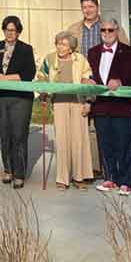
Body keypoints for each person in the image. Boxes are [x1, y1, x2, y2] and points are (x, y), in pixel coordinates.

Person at [67, 0, 126, 175]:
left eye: (91, 6)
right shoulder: (74, 29)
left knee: (103, 127)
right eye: (85, 7)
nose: (88, 10)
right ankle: (88, 168)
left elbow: (124, 51)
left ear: (97, 8)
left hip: (104, 83)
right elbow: (66, 53)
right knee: (82, 126)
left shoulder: (109, 27)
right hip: (82, 81)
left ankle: (106, 168)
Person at [86, 18, 131, 196]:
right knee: (105, 144)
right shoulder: (93, 52)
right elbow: (90, 75)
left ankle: (126, 181)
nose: (107, 33)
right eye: (103, 30)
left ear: (117, 31)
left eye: (110, 30)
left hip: (122, 107)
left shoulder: (130, 52)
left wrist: (121, 81)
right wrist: (87, 80)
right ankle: (110, 178)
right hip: (101, 106)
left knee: (124, 145)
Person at [36, 31, 95, 189]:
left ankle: (79, 177)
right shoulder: (50, 58)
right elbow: (41, 76)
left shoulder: (80, 59)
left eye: (63, 44)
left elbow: (89, 80)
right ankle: (62, 178)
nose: (59, 47)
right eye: (58, 43)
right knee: (62, 140)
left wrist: (88, 102)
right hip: (59, 102)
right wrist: (43, 91)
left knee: (79, 139)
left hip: (78, 101)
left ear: (71, 48)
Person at [0, 15, 36, 187]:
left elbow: (28, 75)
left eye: (13, 30)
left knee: (19, 135)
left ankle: (19, 173)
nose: (9, 33)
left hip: (20, 98)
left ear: (19, 31)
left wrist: (4, 78)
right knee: (5, 135)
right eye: (7, 29)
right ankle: (8, 169)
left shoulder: (26, 49)